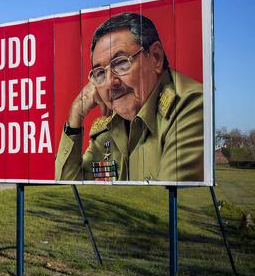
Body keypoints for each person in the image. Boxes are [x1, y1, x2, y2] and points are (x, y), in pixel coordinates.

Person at [55, 12, 204, 182]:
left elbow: (168, 203)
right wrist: (75, 116)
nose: (111, 82)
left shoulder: (189, 105)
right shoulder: (109, 127)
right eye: (100, 73)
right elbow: (68, 192)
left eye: (121, 62)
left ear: (156, 57)